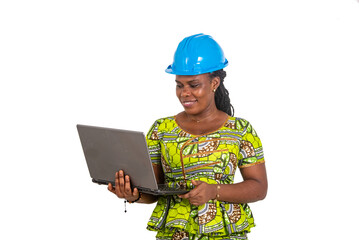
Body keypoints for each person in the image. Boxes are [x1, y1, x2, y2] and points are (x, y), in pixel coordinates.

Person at [108, 33, 268, 240]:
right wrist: (133, 195)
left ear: (214, 83)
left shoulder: (241, 130)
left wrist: (214, 191)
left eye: (193, 85)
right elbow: (153, 191)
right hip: (173, 234)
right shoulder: (161, 130)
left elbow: (259, 188)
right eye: (179, 85)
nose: (184, 93)